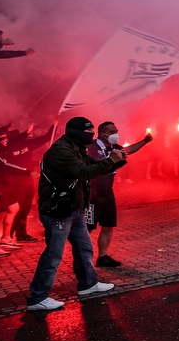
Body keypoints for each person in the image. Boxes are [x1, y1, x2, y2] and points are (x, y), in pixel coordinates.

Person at [26, 117, 123, 311]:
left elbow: (96, 167)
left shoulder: (77, 148)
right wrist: (111, 160)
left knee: (84, 249)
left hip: (75, 208)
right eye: (89, 132)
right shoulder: (61, 150)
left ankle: (88, 284)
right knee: (53, 255)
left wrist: (118, 159)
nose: (92, 136)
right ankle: (37, 297)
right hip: (58, 210)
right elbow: (84, 172)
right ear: (78, 133)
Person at [86, 122, 153, 266]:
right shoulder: (91, 146)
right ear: (102, 133)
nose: (115, 134)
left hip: (107, 193)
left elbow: (128, 150)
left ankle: (102, 257)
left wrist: (144, 141)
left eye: (116, 130)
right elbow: (97, 165)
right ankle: (82, 260)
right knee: (87, 228)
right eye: (111, 131)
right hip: (92, 194)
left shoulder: (114, 147)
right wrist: (115, 160)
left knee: (108, 225)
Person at [0, 128, 32, 258]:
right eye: (2, 138)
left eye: (5, 137)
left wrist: (25, 133)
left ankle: (6, 238)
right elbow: (6, 165)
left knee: (13, 208)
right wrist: (28, 171)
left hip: (4, 185)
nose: (5, 140)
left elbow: (13, 142)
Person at [4, 124, 52, 243]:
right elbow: (13, 163)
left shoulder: (27, 144)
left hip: (28, 179)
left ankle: (21, 233)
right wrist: (24, 133)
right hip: (14, 180)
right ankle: (7, 236)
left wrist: (53, 125)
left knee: (25, 208)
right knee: (15, 209)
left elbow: (45, 138)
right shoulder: (7, 147)